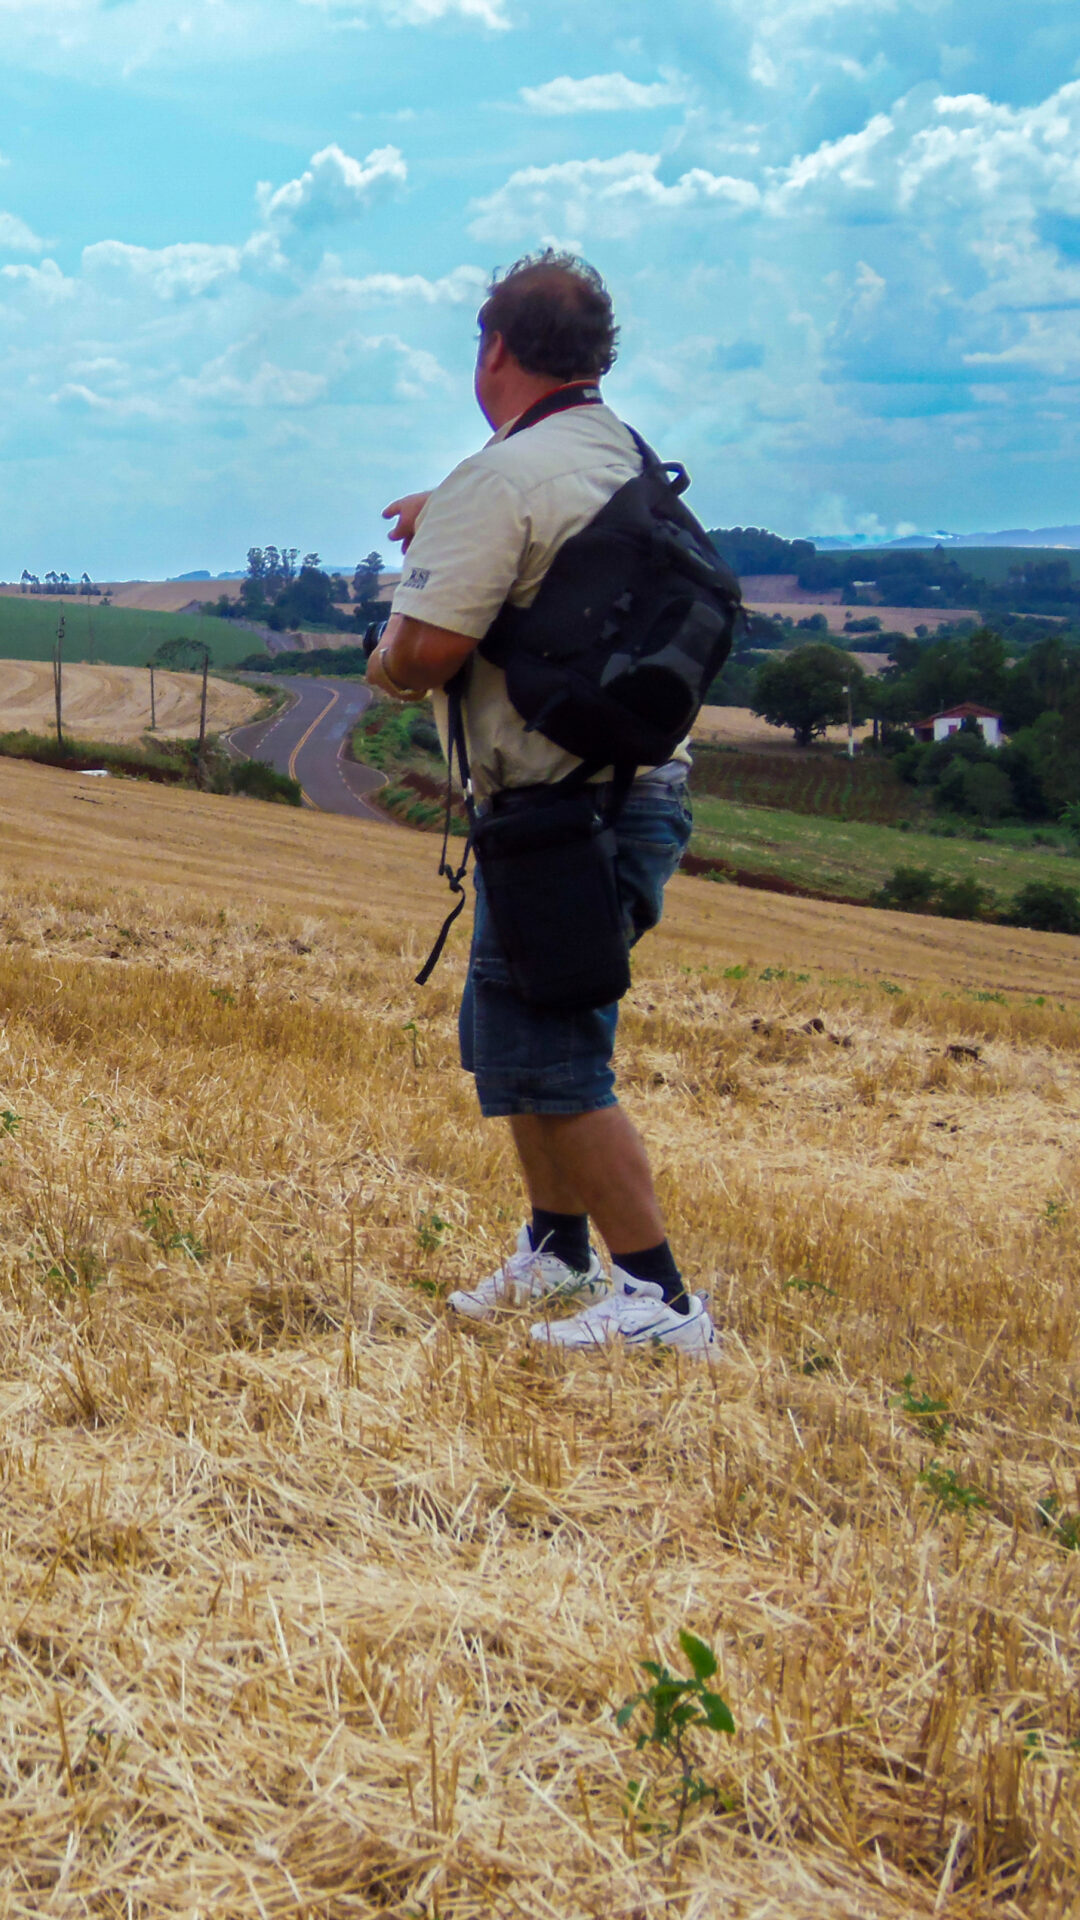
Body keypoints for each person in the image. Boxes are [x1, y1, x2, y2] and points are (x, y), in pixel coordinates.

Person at [364, 249, 716, 1356]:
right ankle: (558, 1255)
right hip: (620, 794)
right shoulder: (616, 456)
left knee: (558, 1059)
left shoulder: (495, 482)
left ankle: (658, 1297)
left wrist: (384, 646)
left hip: (561, 810)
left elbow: (423, 654)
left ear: (496, 348)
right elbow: (549, 544)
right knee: (514, 1036)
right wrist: (450, 507)